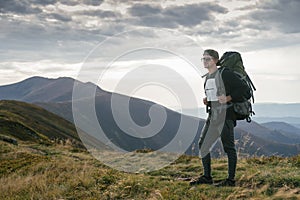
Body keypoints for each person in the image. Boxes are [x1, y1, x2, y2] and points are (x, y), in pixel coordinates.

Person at [190, 49, 250, 187]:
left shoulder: (225, 74)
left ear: (216, 60)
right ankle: (207, 177)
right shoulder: (208, 77)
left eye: (208, 58)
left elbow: (245, 90)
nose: (205, 61)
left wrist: (229, 97)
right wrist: (208, 100)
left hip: (226, 115)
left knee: (228, 147)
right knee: (203, 144)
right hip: (213, 115)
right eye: (203, 59)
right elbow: (215, 94)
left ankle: (230, 180)